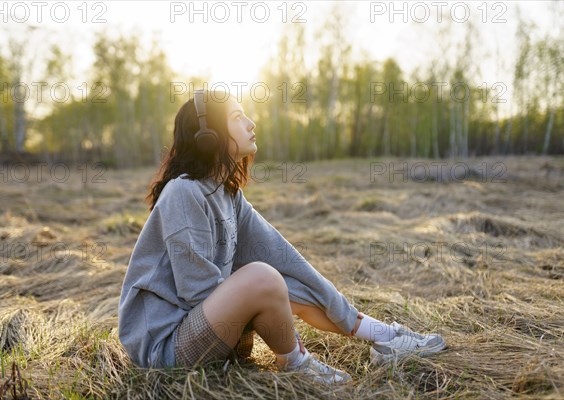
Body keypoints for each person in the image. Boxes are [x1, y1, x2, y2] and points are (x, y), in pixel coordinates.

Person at [117, 90, 445, 385]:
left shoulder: (228, 195)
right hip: (164, 351)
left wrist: (352, 318)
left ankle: (384, 338)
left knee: (284, 279)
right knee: (263, 278)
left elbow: (284, 257)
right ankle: (295, 364)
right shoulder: (183, 192)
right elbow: (197, 291)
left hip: (204, 330)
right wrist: (282, 327)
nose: (250, 122)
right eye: (236, 117)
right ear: (207, 135)